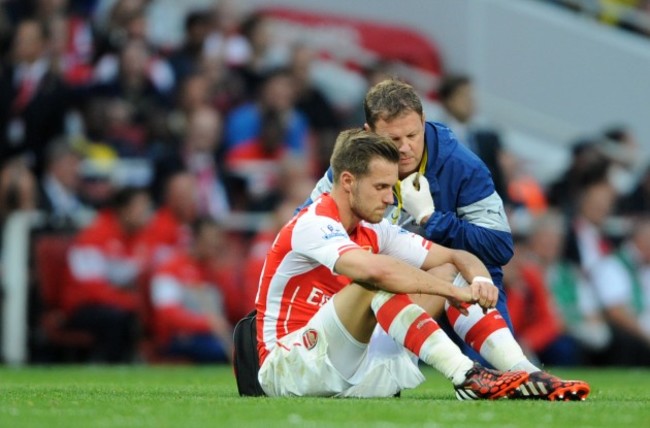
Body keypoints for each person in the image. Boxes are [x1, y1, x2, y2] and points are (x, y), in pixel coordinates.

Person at [301, 79, 589, 399]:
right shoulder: (351, 166)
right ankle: (480, 374)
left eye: (412, 135)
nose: (405, 147)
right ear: (369, 132)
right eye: (393, 139)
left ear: (424, 122)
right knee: (387, 283)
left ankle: (516, 369)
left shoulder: (462, 165)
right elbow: (309, 227)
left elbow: (499, 247)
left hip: (434, 282)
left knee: (456, 273)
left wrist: (431, 219)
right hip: (358, 287)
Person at [256, 129, 528, 399]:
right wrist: (452, 294)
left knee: (447, 272)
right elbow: (376, 272)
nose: (390, 199)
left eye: (392, 187)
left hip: (348, 368)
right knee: (374, 282)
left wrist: (480, 281)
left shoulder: (375, 229)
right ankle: (467, 375)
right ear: (348, 181)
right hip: (289, 369)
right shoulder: (312, 223)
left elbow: (457, 257)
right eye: (381, 187)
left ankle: (522, 371)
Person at [149, 217, 233, 363]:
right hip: (180, 337)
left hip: (212, 335)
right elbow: (166, 313)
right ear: (195, 239)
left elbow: (229, 308)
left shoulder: (214, 271)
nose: (214, 245)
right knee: (217, 351)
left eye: (216, 240)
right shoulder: (170, 268)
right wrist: (206, 323)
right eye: (209, 240)